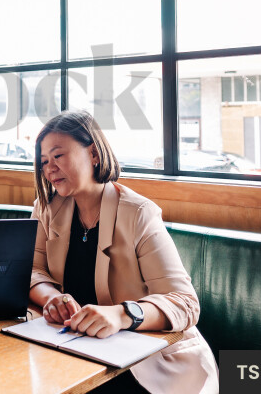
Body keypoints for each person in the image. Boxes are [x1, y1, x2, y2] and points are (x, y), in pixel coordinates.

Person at [29, 110, 218, 394]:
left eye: (58, 156)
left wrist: (121, 315)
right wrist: (52, 298)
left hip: (149, 365)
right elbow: (31, 269)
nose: (50, 168)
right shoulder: (46, 208)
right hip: (76, 353)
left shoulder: (139, 213)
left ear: (94, 153)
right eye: (44, 161)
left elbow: (184, 303)